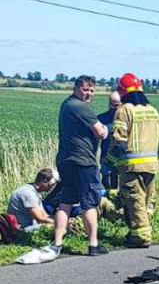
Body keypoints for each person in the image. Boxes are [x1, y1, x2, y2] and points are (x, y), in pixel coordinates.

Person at [36, 75, 109, 261]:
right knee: (89, 202)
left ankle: (57, 243)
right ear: (76, 89)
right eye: (85, 90)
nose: (89, 94)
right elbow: (101, 132)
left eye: (92, 91)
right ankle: (93, 243)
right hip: (84, 162)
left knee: (66, 202)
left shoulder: (66, 105)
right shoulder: (81, 107)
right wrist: (106, 130)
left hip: (65, 160)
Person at [108, 73, 159, 248]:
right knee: (146, 201)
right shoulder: (153, 110)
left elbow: (119, 143)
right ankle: (138, 231)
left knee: (135, 201)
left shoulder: (124, 110)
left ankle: (140, 237)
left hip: (130, 167)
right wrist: (154, 158)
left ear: (122, 91)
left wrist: (108, 162)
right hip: (151, 166)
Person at [6, 168, 56, 233]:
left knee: (58, 225)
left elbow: (45, 215)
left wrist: (61, 219)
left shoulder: (34, 191)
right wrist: (59, 223)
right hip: (21, 228)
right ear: (44, 181)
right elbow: (39, 219)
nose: (52, 187)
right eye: (51, 185)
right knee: (56, 227)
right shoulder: (29, 193)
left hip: (30, 225)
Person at [97, 91, 122, 190]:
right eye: (112, 104)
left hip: (121, 157)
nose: (114, 107)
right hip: (105, 157)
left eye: (117, 105)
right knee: (106, 183)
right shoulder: (101, 118)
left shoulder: (126, 118)